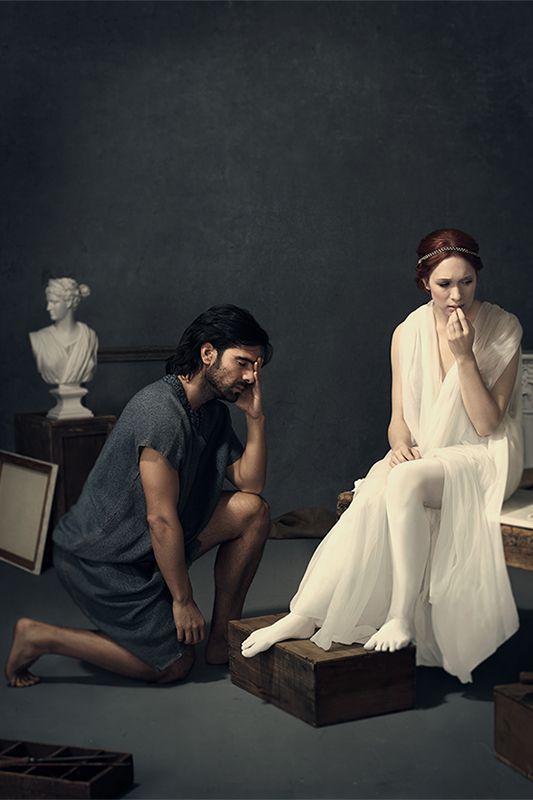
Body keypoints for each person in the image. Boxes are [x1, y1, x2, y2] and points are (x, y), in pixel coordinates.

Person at [242, 230, 523, 684]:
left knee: (404, 482)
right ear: (423, 284)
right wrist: (397, 447)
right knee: (376, 487)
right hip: (430, 455)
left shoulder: (502, 326)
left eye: (467, 282)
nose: (457, 295)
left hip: (484, 457)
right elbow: (398, 421)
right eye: (444, 284)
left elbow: (488, 424)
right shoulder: (406, 333)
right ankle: (308, 612)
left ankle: (401, 616)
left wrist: (464, 356)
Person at [7, 304, 272, 687]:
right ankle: (40, 636)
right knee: (174, 665)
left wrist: (255, 418)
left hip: (152, 546)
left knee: (253, 512)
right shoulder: (160, 413)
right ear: (208, 353)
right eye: (243, 362)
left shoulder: (212, 412)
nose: (249, 377)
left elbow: (251, 483)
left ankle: (221, 639)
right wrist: (182, 602)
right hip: (102, 560)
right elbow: (159, 519)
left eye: (256, 367)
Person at [29, 278, 98, 386]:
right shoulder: (39, 338)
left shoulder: (89, 337)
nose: (48, 308)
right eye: (48, 302)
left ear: (69, 302)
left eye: (54, 302)